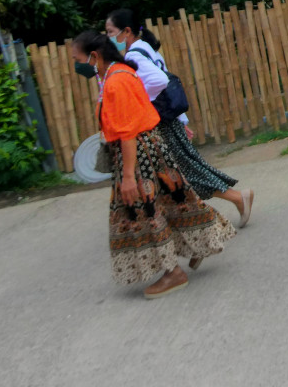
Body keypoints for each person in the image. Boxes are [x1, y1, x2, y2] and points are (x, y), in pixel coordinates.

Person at [71, 31, 235, 298]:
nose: (77, 64)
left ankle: (173, 273)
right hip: (147, 149)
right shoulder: (117, 73)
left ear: (94, 56)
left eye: (78, 58)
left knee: (144, 214)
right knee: (175, 202)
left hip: (137, 156)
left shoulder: (116, 81)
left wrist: (127, 176)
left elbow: (127, 132)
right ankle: (199, 246)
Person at [105, 9, 255, 227]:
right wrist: (182, 121)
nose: (108, 37)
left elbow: (159, 81)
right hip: (170, 121)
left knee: (181, 175)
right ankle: (233, 200)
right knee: (186, 170)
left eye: (110, 32)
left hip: (161, 125)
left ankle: (234, 200)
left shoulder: (133, 56)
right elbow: (166, 81)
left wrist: (142, 106)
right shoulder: (146, 47)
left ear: (126, 31)